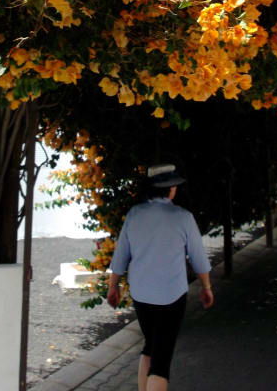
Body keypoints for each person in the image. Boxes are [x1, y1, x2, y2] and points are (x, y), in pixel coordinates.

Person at [106, 163, 214, 391]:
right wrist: (206, 287)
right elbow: (199, 259)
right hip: (172, 296)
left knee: (151, 345)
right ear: (171, 188)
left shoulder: (135, 214)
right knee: (161, 362)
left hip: (141, 295)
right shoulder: (183, 217)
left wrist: (113, 286)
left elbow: (120, 255)